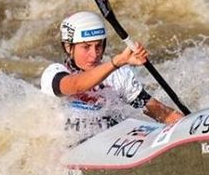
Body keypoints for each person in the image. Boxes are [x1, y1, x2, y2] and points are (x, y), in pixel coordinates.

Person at [40, 11, 183, 132]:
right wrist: (118, 61)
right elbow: (77, 85)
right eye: (86, 47)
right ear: (68, 48)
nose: (94, 54)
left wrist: (191, 127)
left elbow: (159, 112)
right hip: (69, 146)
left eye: (98, 46)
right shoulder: (54, 73)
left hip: (108, 142)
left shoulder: (118, 76)